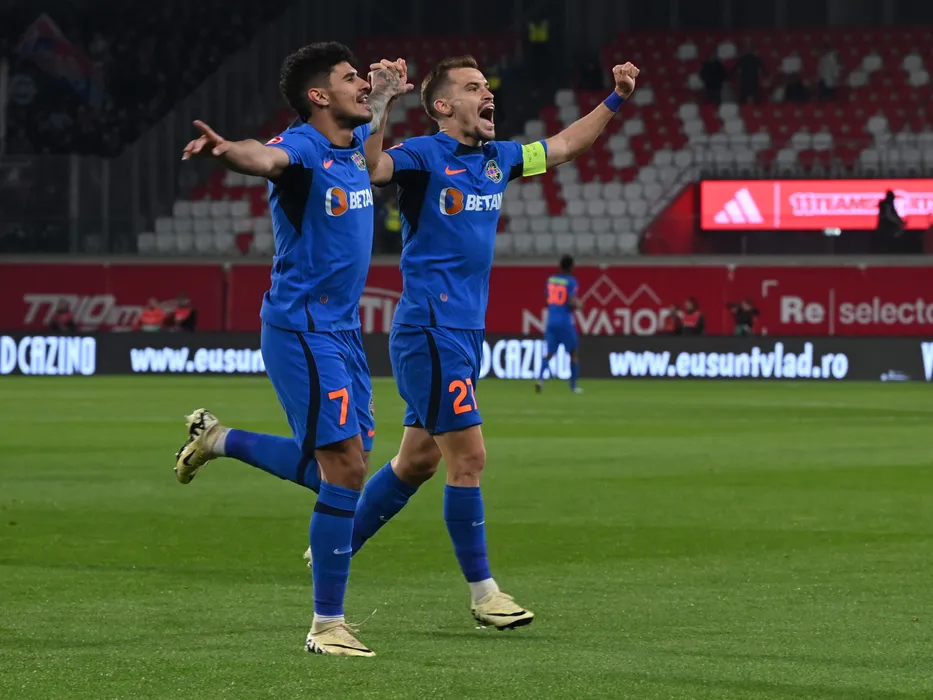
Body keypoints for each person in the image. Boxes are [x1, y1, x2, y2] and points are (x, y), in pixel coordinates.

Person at [355, 55, 639, 630]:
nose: (488, 93)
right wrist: (381, 104)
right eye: (472, 87)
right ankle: (485, 595)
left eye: (487, 85)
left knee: (417, 461)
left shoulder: (498, 159)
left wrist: (616, 99)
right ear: (442, 106)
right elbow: (373, 168)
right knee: (469, 458)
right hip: (430, 329)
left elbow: (565, 145)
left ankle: (334, 541)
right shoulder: (423, 155)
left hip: (463, 333)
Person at [172, 43, 411, 657]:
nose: (361, 83)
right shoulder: (302, 148)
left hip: (341, 332)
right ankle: (326, 625)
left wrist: (384, 97)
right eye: (350, 78)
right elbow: (266, 157)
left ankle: (219, 439)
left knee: (345, 468)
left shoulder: (352, 146)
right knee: (346, 470)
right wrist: (229, 151)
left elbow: (369, 149)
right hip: (301, 330)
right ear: (318, 96)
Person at [535, 254, 582, 393]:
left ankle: (540, 380)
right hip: (565, 321)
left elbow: (548, 298)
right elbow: (572, 302)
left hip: (551, 320)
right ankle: (573, 387)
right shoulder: (571, 282)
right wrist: (578, 305)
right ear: (571, 266)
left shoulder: (551, 280)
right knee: (573, 353)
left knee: (549, 353)